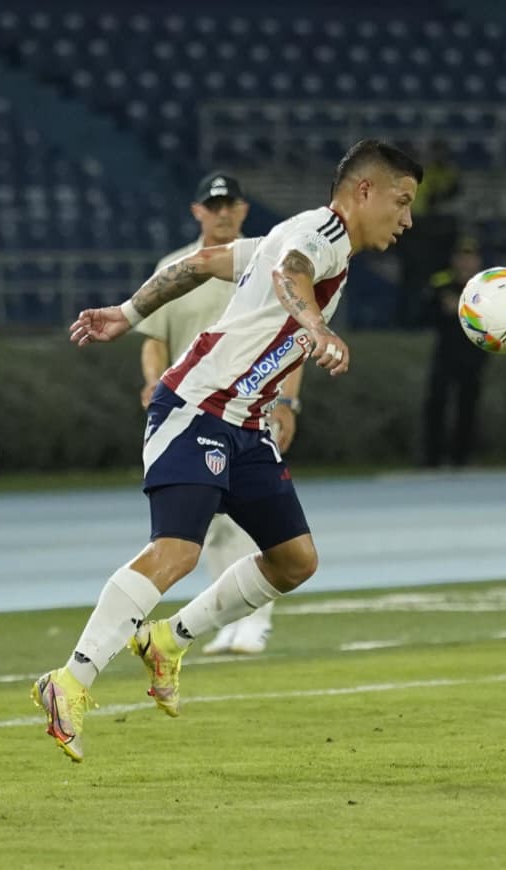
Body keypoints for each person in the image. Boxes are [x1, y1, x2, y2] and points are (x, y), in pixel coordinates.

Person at [32, 139, 422, 762]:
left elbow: (206, 261)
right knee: (177, 552)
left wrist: (129, 312)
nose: (407, 219)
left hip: (246, 422)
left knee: (295, 561)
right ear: (364, 191)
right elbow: (288, 273)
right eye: (401, 202)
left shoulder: (314, 241)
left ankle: (168, 639)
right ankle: (69, 681)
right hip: (196, 406)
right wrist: (317, 327)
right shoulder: (317, 235)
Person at [135, 171, 296, 656]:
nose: (223, 212)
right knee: (209, 521)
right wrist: (153, 381)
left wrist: (288, 401)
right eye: (214, 205)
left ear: (245, 210)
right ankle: (230, 621)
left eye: (231, 205)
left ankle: (255, 623)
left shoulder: (268, 264)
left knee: (255, 518)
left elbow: (293, 338)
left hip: (250, 405)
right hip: (189, 411)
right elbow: (154, 339)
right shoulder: (176, 266)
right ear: (197, 211)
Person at [421, 236, 486, 468]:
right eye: (462, 257)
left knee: (468, 406)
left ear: (478, 261)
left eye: (470, 258)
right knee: (436, 403)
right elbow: (424, 315)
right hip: (446, 352)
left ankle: (462, 458)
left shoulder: (487, 285)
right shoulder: (440, 282)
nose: (466, 263)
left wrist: (459, 307)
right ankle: (431, 458)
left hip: (474, 354)